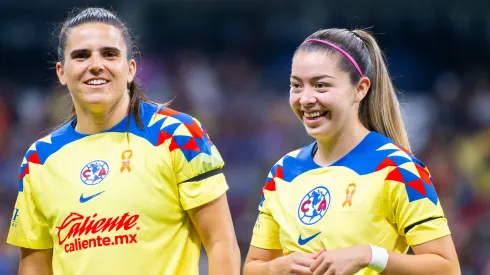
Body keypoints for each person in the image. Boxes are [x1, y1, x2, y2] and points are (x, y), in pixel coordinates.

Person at [7, 7, 240, 275]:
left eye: (109, 54)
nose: (96, 64)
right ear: (61, 72)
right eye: (81, 56)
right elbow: (35, 266)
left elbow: (221, 243)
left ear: (131, 69)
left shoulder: (177, 134)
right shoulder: (40, 158)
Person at [243, 28, 460, 275]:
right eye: (296, 85)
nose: (305, 98)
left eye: (320, 85)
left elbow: (447, 268)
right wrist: (275, 267)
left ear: (361, 89)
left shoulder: (397, 169)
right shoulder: (283, 172)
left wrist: (369, 255)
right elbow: (253, 267)